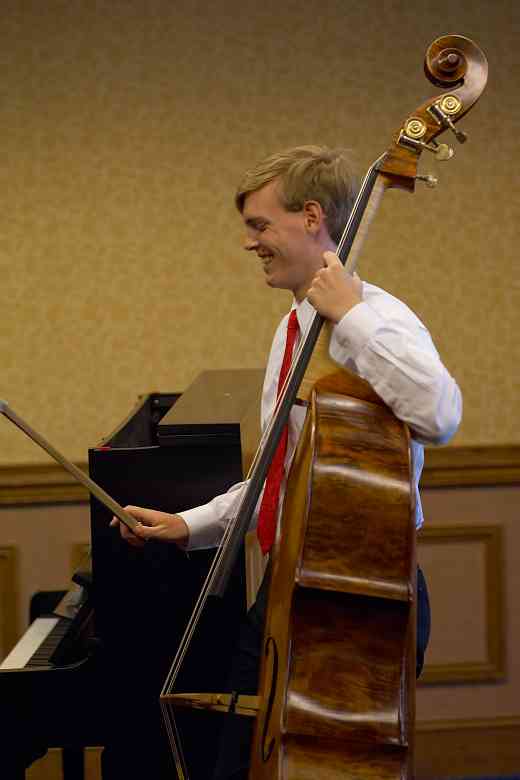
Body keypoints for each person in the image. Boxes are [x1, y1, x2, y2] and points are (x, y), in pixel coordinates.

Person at [112, 145, 462, 779]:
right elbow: (282, 475)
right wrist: (188, 524)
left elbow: (440, 414)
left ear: (310, 217)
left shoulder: (377, 318)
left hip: (357, 596)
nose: (250, 243)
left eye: (259, 225)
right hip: (287, 588)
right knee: (240, 763)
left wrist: (349, 315)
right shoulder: (290, 330)